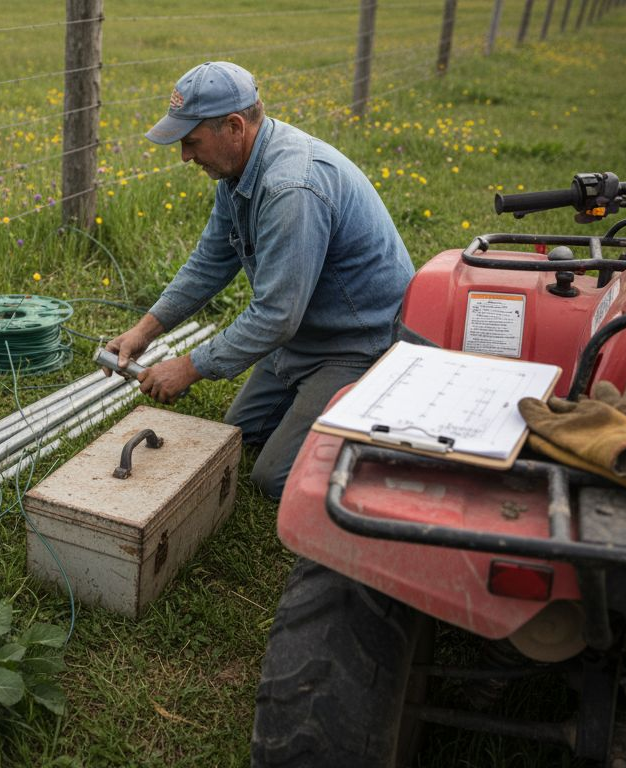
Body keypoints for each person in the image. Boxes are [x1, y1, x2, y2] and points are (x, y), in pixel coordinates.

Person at [105, 61, 414, 499]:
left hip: (360, 342)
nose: (185, 156)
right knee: (238, 435)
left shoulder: (291, 189)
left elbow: (276, 316)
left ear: (233, 126)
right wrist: (143, 331)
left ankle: (387, 429)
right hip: (304, 336)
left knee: (275, 479)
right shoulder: (237, 169)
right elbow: (209, 262)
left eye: (191, 141)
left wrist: (188, 367)